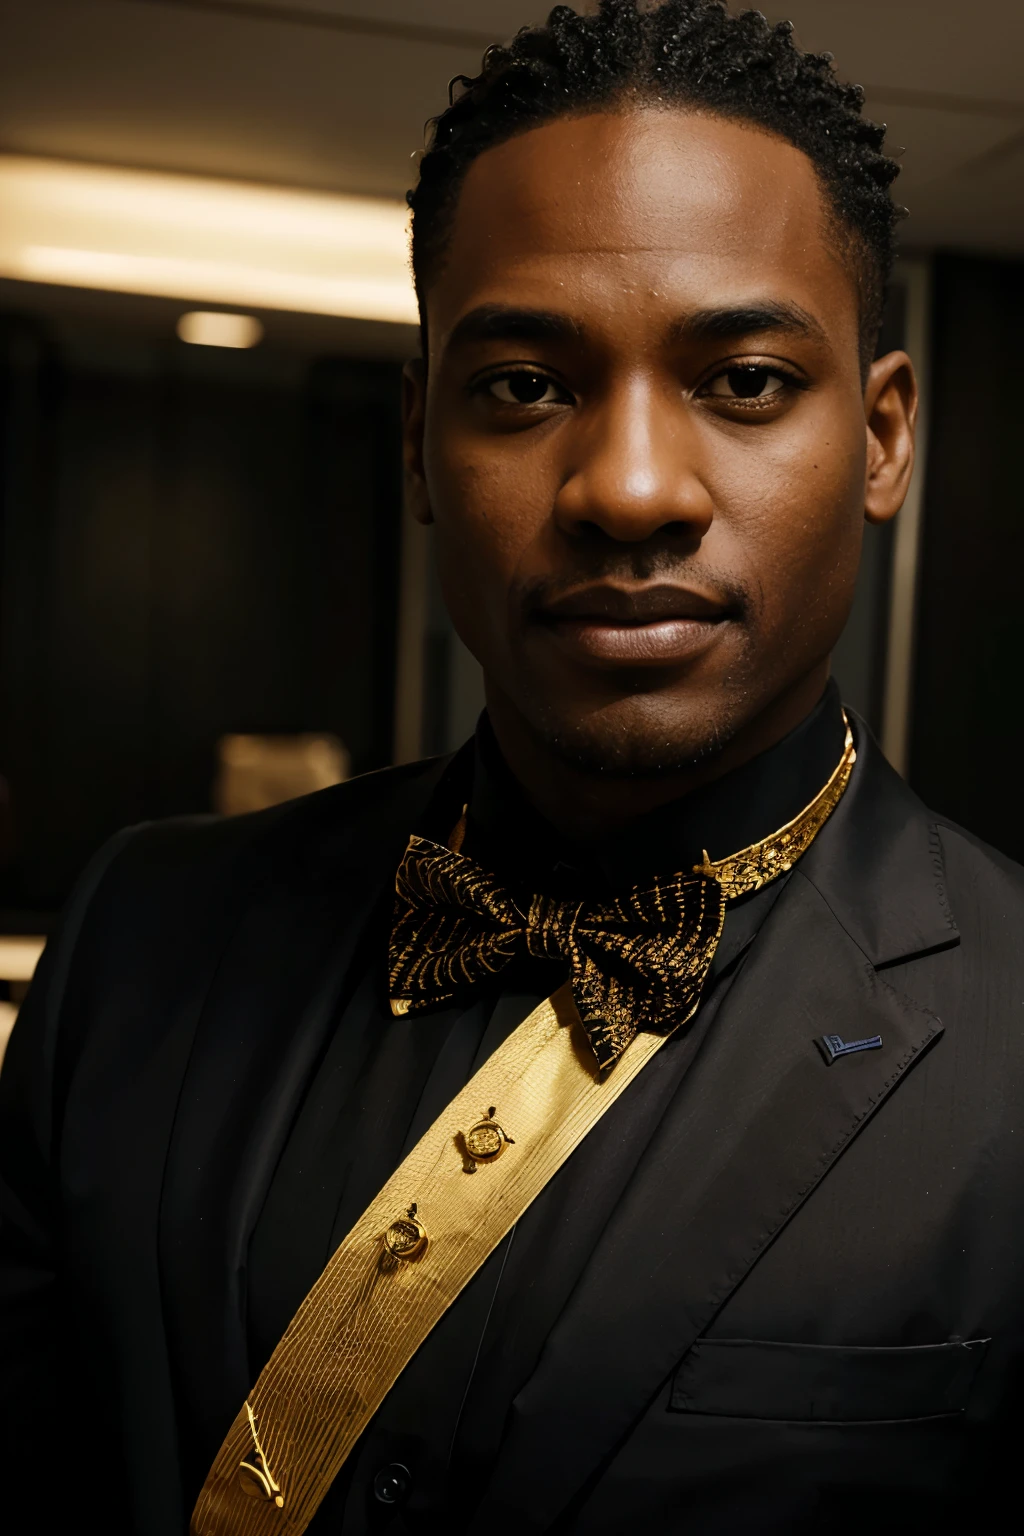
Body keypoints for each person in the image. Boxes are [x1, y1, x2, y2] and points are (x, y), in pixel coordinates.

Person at [2, 2, 1022, 1532]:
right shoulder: (143, 934)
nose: (626, 489)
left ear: (880, 439)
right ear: (417, 442)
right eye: (525, 386)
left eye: (742, 380)